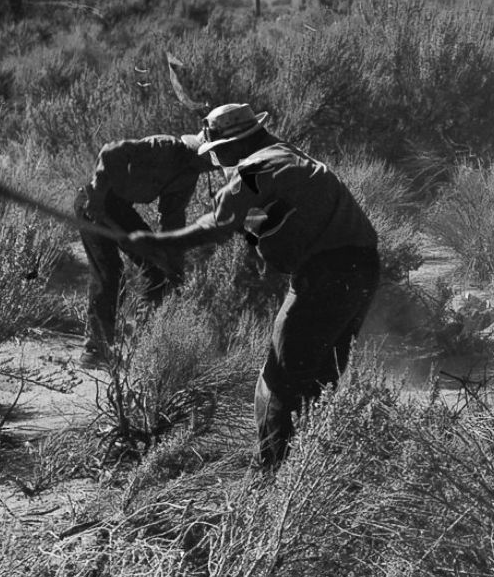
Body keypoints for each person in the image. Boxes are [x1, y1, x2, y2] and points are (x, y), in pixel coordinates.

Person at [124, 103, 381, 468]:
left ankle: (272, 476)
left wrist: (161, 243)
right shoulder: (288, 155)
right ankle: (318, 465)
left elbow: (218, 224)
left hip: (325, 274)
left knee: (278, 380)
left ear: (232, 143)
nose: (217, 161)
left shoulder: (254, 169)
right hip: (362, 269)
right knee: (321, 375)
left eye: (217, 153)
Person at [75, 131, 218, 362]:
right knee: (108, 272)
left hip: (120, 210)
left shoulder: (189, 175)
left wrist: (172, 260)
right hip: (93, 204)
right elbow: (110, 151)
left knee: (158, 271)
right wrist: (98, 196)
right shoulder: (165, 147)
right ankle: (95, 347)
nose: (212, 168)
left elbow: (173, 218)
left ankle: (142, 345)